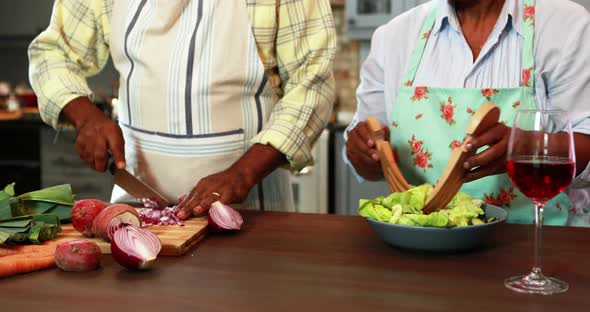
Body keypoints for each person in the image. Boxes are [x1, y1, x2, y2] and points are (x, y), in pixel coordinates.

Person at [29, 0, 336, 219]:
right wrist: (86, 116)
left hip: (252, 215)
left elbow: (313, 84)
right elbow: (53, 53)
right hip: (138, 215)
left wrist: (242, 175)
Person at [345, 0, 590, 226]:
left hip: (537, 244)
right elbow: (369, 150)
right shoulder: (393, 37)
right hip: (422, 245)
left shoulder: (567, 27)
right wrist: (362, 153)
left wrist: (529, 147)